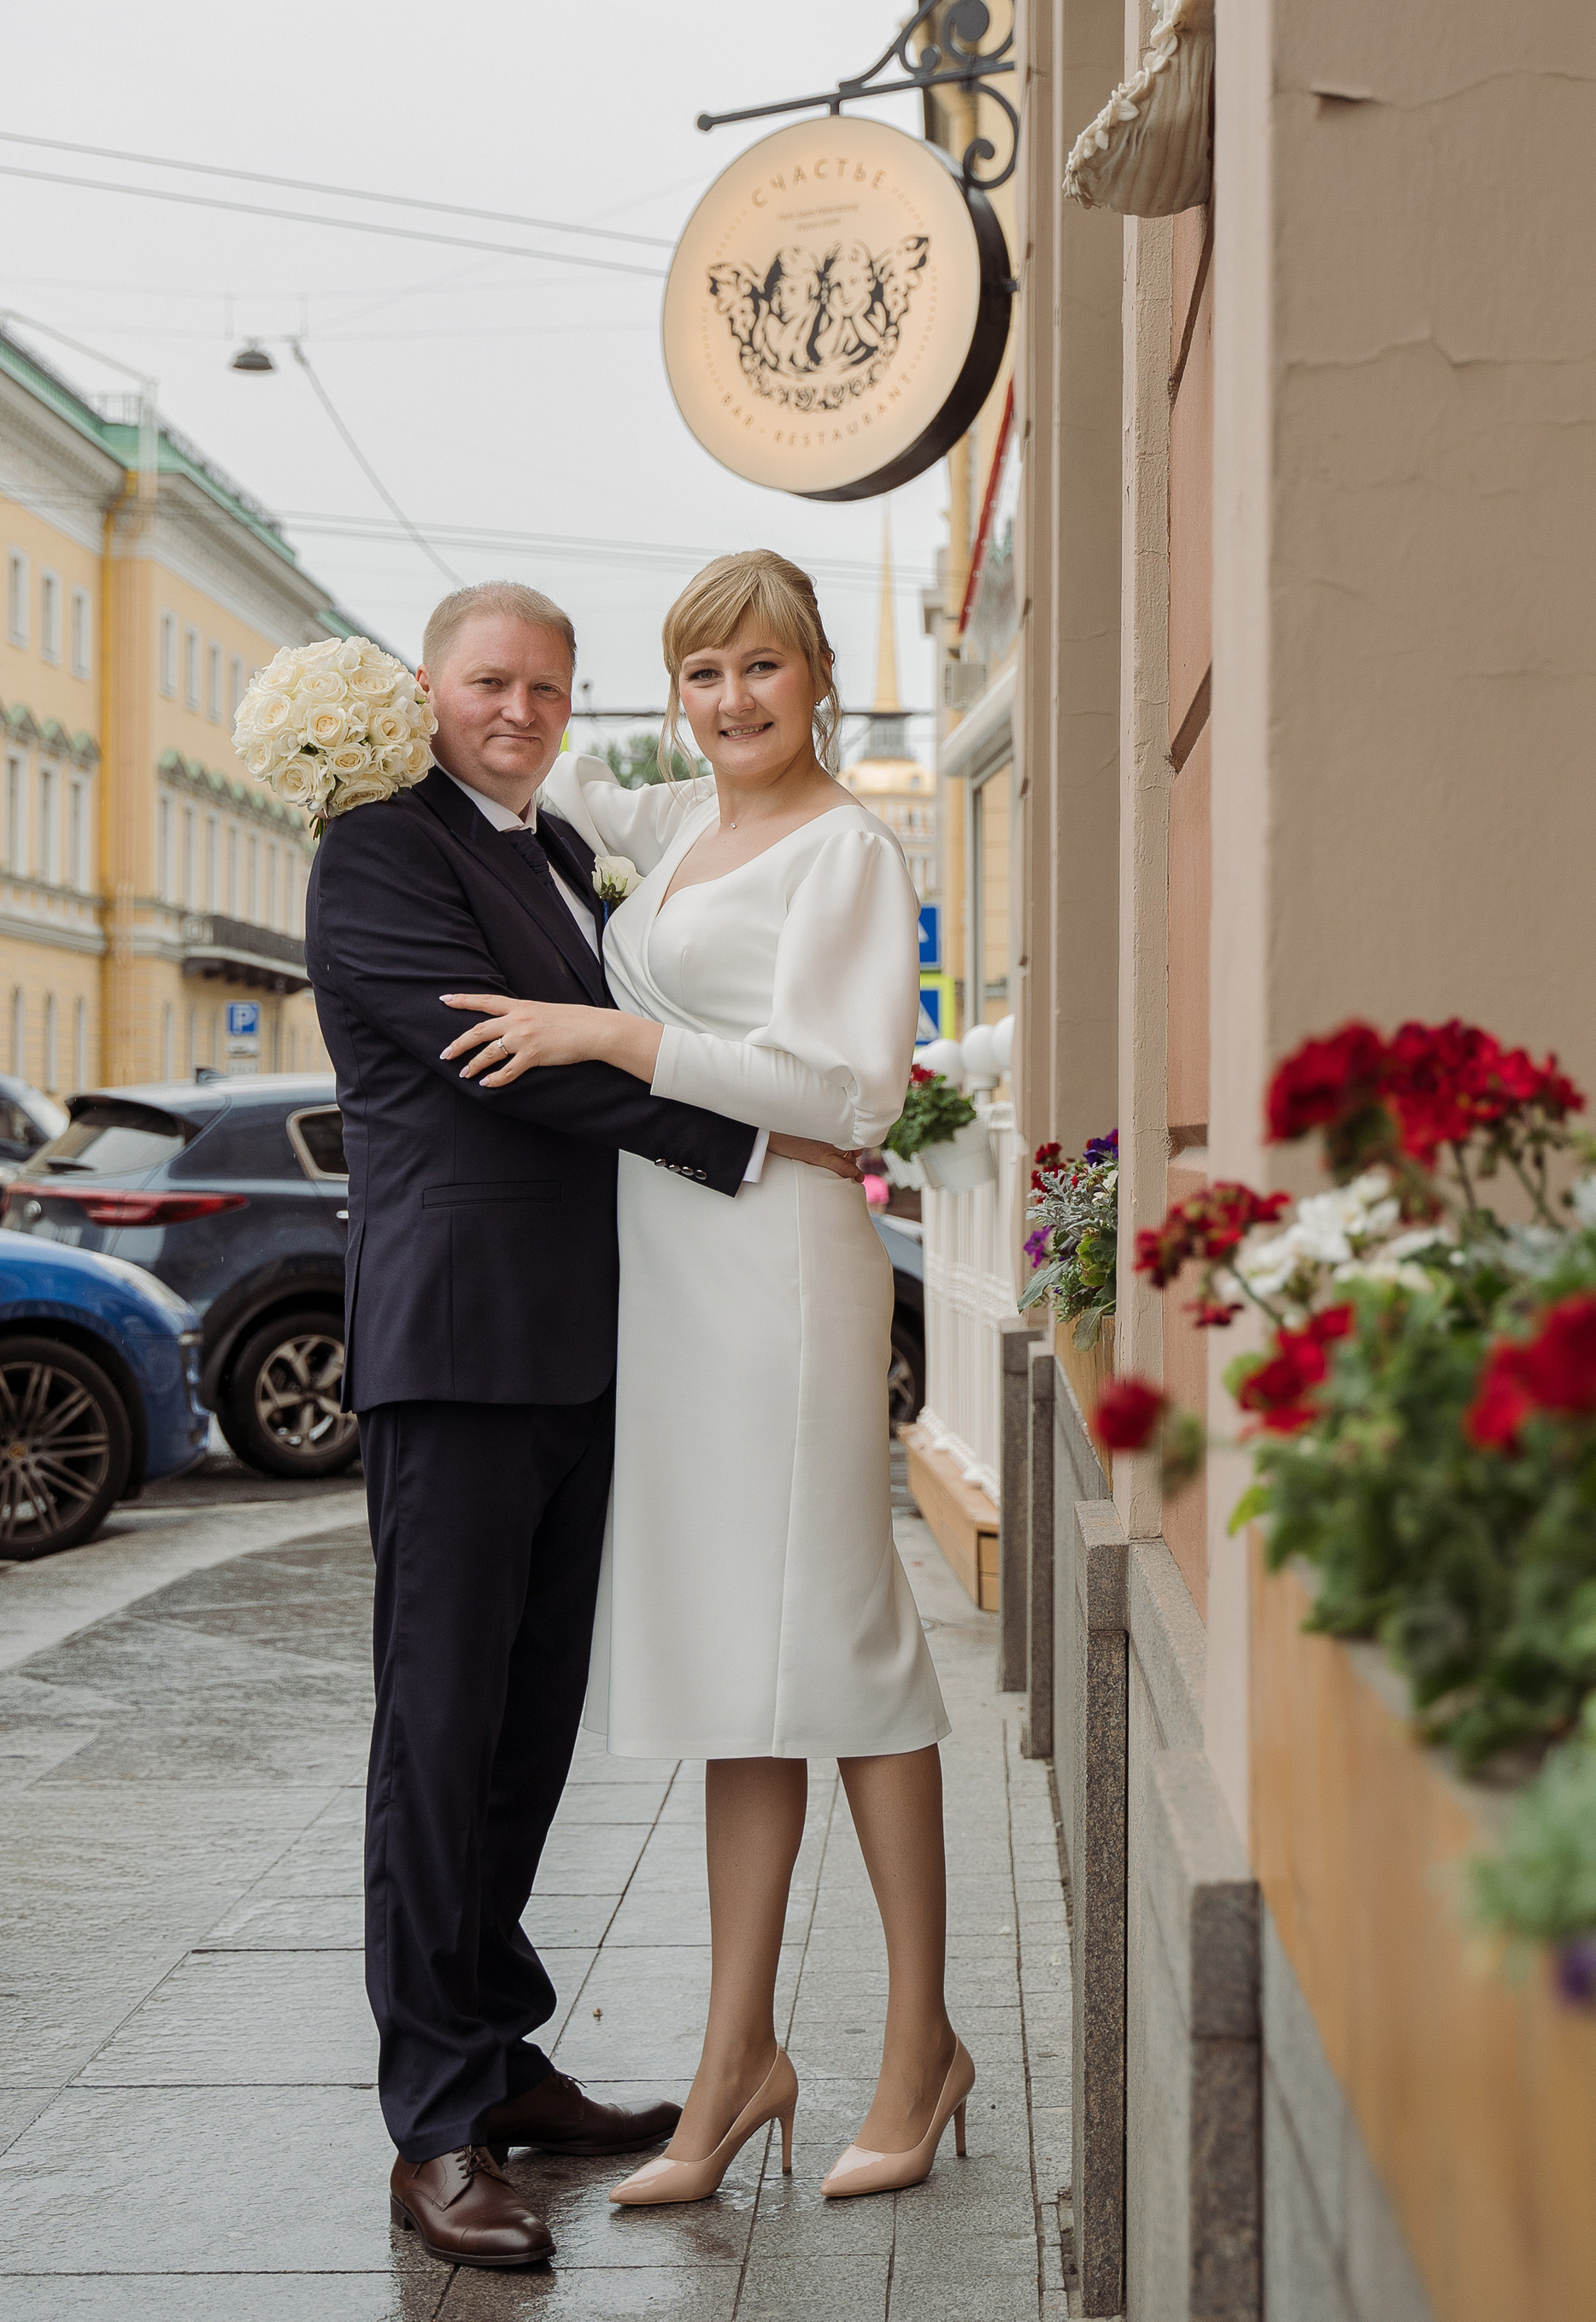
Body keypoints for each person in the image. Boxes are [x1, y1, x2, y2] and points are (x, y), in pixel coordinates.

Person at [304, 582, 858, 2273]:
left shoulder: (555, 852)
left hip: (582, 1353)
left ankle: (501, 2045)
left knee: (524, 1734)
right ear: (428, 689)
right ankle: (437, 2126)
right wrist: (753, 1132)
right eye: (489, 681)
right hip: (457, 1350)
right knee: (438, 1737)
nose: (518, 709)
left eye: (545, 687)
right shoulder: (379, 853)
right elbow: (513, 1064)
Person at [441, 548, 969, 2212]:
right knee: (740, 1681)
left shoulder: (849, 853)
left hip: (785, 1274)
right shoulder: (675, 833)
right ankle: (735, 2065)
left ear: (815, 675)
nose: (733, 700)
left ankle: (919, 2048)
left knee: (842, 1655)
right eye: (701, 674)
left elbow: (856, 1091)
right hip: (667, 1274)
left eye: (761, 668)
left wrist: (613, 1038)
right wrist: (437, 714)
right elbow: (529, 760)